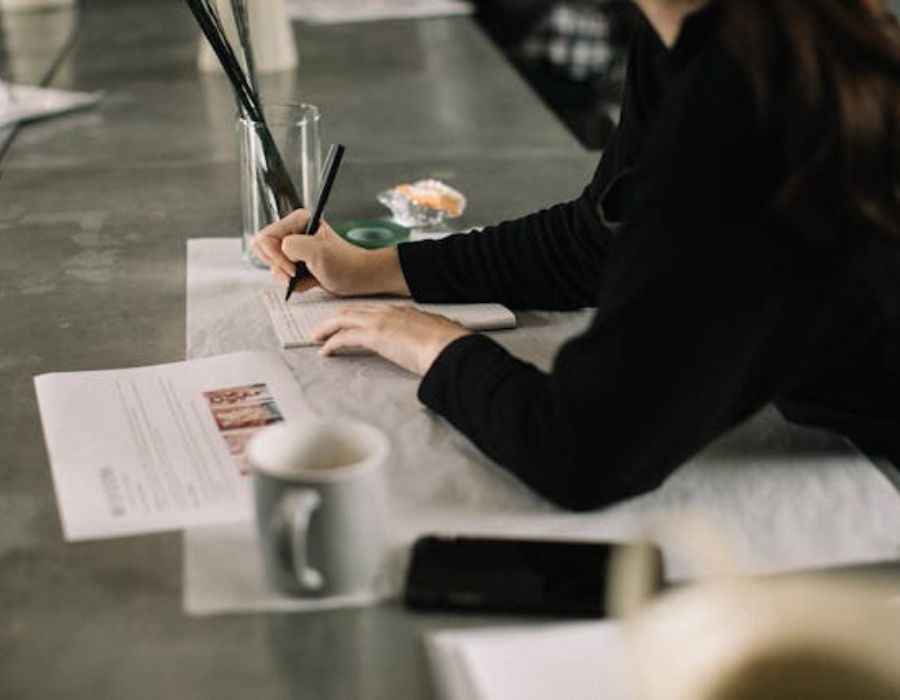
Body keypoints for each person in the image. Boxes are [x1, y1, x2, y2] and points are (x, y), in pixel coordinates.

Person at [252, 0, 900, 511]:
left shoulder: (742, 105)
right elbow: (597, 238)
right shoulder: (700, 37)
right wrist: (380, 269)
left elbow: (583, 452)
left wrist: (431, 345)